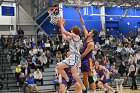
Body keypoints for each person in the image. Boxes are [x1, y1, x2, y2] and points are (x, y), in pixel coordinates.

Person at [56, 18, 86, 92]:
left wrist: (61, 24)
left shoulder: (76, 36)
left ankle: (84, 88)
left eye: (71, 30)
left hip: (75, 56)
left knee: (75, 75)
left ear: (74, 31)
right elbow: (65, 37)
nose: (70, 30)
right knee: (59, 67)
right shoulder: (72, 37)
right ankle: (67, 80)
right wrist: (61, 26)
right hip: (70, 56)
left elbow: (64, 31)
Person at [76, 8, 98, 93]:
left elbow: (85, 54)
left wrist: (78, 58)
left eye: (90, 31)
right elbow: (83, 24)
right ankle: (86, 91)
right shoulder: (86, 36)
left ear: (92, 34)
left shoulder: (91, 43)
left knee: (90, 77)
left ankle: (94, 91)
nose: (88, 31)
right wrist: (80, 14)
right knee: (84, 77)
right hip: (84, 59)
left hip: (88, 60)